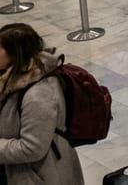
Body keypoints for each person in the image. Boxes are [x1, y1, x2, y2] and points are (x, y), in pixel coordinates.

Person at [0, 23, 85, 184]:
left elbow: (32, 148)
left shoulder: (38, 95)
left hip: (39, 177)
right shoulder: (8, 77)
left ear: (15, 54)